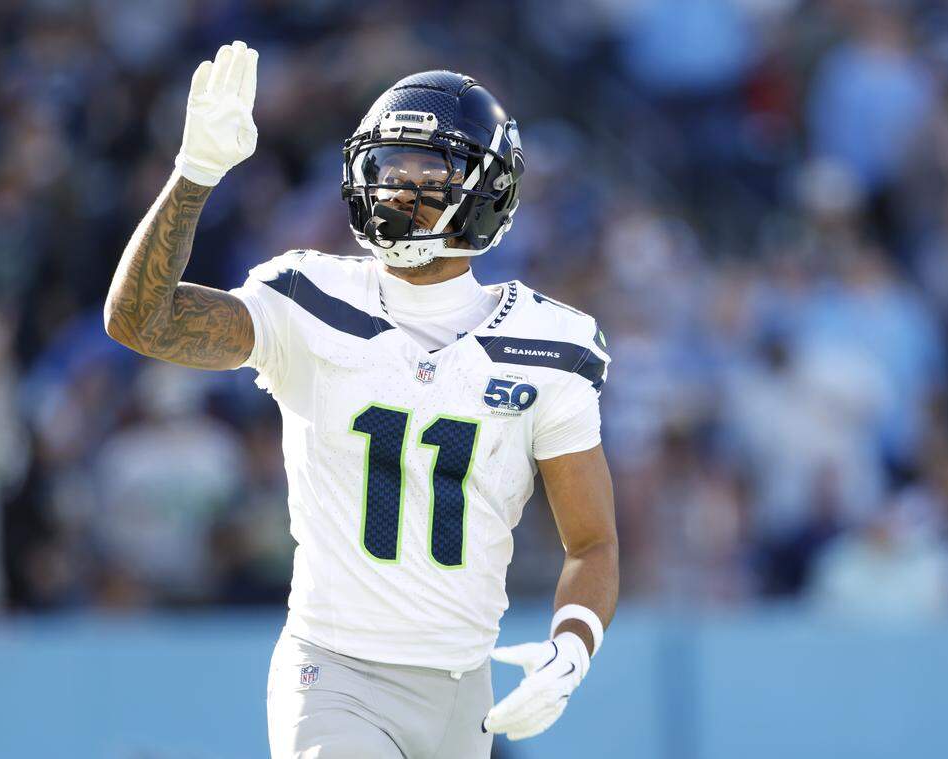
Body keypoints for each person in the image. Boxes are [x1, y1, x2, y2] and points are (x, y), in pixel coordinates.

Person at [104, 41, 618, 758]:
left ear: (487, 190)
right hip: (334, 671)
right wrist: (195, 173)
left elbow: (591, 542)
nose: (399, 190)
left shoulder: (552, 344)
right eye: (387, 168)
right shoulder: (307, 298)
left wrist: (573, 647)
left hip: (464, 689)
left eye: (428, 173)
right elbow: (140, 320)